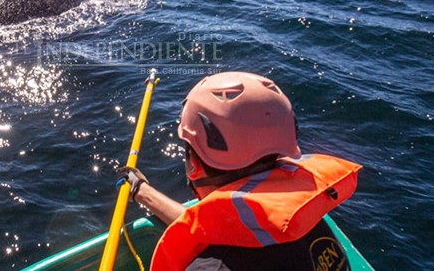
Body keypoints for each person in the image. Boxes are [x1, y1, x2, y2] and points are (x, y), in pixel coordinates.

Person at [118, 71, 362, 271]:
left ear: (195, 163)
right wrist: (143, 192)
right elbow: (219, 230)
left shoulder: (211, 268)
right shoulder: (304, 222)